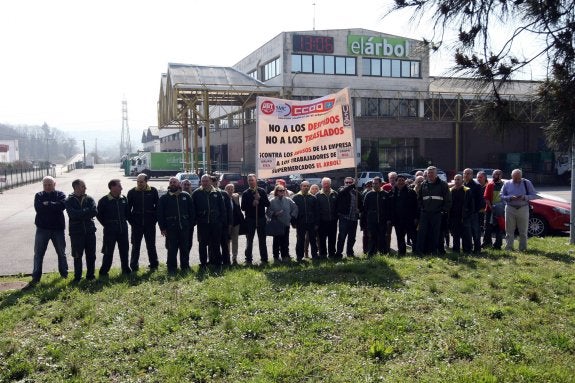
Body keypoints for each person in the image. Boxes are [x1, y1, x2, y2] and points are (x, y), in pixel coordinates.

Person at [31, 176, 68, 283]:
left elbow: (61, 206)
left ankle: (64, 274)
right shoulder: (39, 195)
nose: (47, 187)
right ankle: (36, 277)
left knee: (61, 253)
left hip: (58, 229)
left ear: (54, 184)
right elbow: (38, 208)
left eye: (49, 184)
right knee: (38, 254)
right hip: (42, 229)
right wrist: (53, 206)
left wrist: (48, 204)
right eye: (45, 185)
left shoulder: (61, 194)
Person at [158, 177, 195, 273]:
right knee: (172, 249)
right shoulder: (164, 198)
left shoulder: (186, 196)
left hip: (184, 227)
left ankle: (185, 266)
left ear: (179, 184)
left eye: (174, 182)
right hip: (171, 228)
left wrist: (190, 224)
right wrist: (162, 228)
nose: (172, 183)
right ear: (169, 184)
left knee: (185, 248)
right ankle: (172, 268)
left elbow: (192, 211)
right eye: (171, 182)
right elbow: (160, 215)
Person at [65, 179, 97, 281]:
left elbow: (94, 212)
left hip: (90, 232)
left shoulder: (89, 199)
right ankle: (77, 277)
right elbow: (72, 215)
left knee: (91, 255)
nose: (85, 188)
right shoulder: (69, 200)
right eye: (83, 186)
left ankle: (90, 276)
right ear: (76, 188)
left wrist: (80, 213)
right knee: (77, 256)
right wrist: (85, 211)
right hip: (76, 233)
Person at [97, 179, 131, 277]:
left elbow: (127, 213)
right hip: (110, 231)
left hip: (123, 230)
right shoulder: (104, 200)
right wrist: (108, 225)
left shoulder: (123, 198)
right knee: (108, 252)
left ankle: (126, 270)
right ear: (112, 187)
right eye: (119, 186)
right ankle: (103, 272)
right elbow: (99, 215)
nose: (121, 188)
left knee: (124, 250)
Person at [127, 173, 159, 272]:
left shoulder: (153, 191)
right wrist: (132, 222)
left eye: (141, 182)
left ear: (146, 181)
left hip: (150, 224)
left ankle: (154, 264)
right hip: (137, 225)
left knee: (151, 245)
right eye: (138, 181)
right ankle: (134, 266)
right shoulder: (132, 192)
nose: (139, 183)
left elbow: (157, 207)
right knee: (135, 246)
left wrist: (154, 220)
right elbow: (127, 210)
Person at [192, 174, 226, 267]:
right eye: (203, 181)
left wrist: (221, 221)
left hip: (216, 223)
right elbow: (192, 209)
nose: (205, 183)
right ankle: (203, 264)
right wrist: (196, 220)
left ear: (211, 181)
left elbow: (222, 208)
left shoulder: (217, 193)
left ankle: (217, 263)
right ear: (201, 182)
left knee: (215, 244)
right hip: (202, 224)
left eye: (207, 181)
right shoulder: (196, 193)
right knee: (202, 244)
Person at [416, 166, 451, 255]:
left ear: (436, 174)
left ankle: (434, 251)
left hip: (437, 213)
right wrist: (422, 208)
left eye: (432, 173)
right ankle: (421, 251)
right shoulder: (424, 184)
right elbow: (419, 199)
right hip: (425, 213)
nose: (430, 175)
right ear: (427, 174)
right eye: (429, 173)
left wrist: (443, 211)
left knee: (436, 234)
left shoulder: (443, 184)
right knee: (422, 233)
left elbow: (448, 200)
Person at [500, 169, 536, 251]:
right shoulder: (507, 183)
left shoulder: (527, 183)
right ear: (511, 176)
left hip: (523, 208)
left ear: (521, 176)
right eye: (515, 178)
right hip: (510, 208)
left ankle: (523, 248)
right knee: (509, 230)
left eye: (518, 178)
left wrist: (524, 197)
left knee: (523, 230)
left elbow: (534, 195)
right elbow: (501, 196)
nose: (516, 180)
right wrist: (509, 198)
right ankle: (509, 248)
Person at [241, 174, 270, 265]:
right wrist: (252, 203)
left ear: (256, 181)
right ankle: (248, 259)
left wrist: (260, 199)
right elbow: (243, 207)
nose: (251, 182)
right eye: (249, 180)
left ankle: (264, 260)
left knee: (262, 240)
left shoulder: (261, 191)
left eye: (252, 180)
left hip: (261, 219)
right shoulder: (245, 193)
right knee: (249, 240)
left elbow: (267, 204)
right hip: (250, 219)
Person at [266, 184, 298, 261]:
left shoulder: (288, 200)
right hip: (277, 224)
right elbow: (267, 212)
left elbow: (295, 208)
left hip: (286, 223)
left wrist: (291, 217)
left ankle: (285, 256)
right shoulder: (272, 201)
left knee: (285, 241)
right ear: (276, 191)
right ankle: (276, 257)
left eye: (283, 190)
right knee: (276, 241)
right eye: (280, 190)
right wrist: (274, 213)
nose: (282, 192)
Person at [335, 177, 363, 259]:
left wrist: (359, 210)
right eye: (346, 182)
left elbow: (361, 205)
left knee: (352, 237)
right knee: (342, 237)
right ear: (344, 183)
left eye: (350, 182)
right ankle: (339, 253)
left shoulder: (357, 193)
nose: (348, 184)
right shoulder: (341, 190)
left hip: (353, 219)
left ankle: (350, 252)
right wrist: (353, 185)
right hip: (344, 218)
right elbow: (343, 191)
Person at [363, 176, 391, 256]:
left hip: (383, 220)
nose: (374, 185)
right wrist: (364, 221)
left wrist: (388, 219)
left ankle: (384, 253)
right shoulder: (368, 195)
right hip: (372, 221)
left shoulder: (385, 194)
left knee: (382, 237)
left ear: (380, 184)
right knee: (372, 237)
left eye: (376, 183)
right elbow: (365, 209)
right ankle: (371, 253)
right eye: (373, 183)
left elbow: (388, 208)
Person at [390, 174, 418, 255]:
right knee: (400, 237)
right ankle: (402, 253)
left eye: (402, 180)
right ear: (396, 182)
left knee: (413, 237)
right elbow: (390, 207)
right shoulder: (392, 192)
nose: (401, 182)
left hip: (410, 219)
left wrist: (416, 217)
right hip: (398, 220)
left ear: (405, 182)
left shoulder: (411, 192)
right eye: (399, 180)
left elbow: (416, 205)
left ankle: (416, 252)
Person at [292, 180, 320, 261]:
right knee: (300, 241)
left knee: (313, 241)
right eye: (304, 186)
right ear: (301, 187)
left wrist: (316, 223)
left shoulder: (313, 197)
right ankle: (299, 257)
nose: (306, 187)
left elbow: (317, 212)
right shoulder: (296, 197)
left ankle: (314, 256)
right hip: (300, 223)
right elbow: (293, 211)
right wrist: (293, 223)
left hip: (311, 223)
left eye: (307, 186)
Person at [449, 174, 474, 253]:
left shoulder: (467, 190)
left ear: (462, 181)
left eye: (458, 179)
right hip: (454, 217)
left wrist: (468, 215)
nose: (456, 181)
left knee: (466, 235)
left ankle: (467, 250)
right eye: (455, 179)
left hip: (464, 217)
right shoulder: (451, 191)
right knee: (455, 235)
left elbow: (471, 205)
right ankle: (456, 250)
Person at [212, 175, 233, 265]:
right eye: (212, 181)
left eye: (215, 182)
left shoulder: (224, 193)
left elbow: (229, 210)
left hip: (224, 224)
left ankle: (227, 262)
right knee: (214, 244)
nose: (214, 183)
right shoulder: (208, 194)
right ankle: (215, 262)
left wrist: (230, 224)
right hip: (213, 224)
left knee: (224, 244)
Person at [316, 177, 338, 259]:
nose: (326, 185)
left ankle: (332, 253)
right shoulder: (318, 195)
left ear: (330, 184)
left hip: (333, 221)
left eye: (327, 184)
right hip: (322, 221)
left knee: (332, 238)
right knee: (322, 239)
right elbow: (316, 210)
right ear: (321, 184)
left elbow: (337, 207)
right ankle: (323, 254)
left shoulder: (335, 194)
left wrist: (336, 217)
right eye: (324, 184)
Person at [463, 168, 484, 253]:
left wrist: (475, 211)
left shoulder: (476, 185)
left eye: (468, 173)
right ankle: (467, 249)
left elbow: (480, 201)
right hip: (465, 213)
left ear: (472, 175)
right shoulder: (463, 184)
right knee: (467, 232)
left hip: (474, 213)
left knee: (475, 232)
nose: (466, 175)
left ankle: (477, 249)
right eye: (464, 173)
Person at [483, 169, 504, 249]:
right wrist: (491, 208)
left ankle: (498, 245)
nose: (495, 175)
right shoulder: (490, 184)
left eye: (497, 174)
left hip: (500, 210)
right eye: (494, 174)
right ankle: (487, 243)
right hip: (490, 210)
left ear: (501, 176)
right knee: (488, 227)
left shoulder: (504, 185)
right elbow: (486, 198)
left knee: (499, 228)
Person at [225, 183, 242, 265]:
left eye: (232, 189)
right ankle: (227, 258)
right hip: (227, 223)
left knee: (235, 241)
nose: (230, 190)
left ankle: (234, 258)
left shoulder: (236, 197)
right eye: (228, 189)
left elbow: (238, 209)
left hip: (236, 223)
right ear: (225, 190)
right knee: (227, 241)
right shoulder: (223, 198)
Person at [181, 179, 196, 254]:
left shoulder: (194, 196)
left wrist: (193, 222)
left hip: (190, 225)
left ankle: (186, 260)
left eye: (188, 185)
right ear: (181, 185)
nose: (186, 186)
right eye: (185, 184)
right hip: (178, 224)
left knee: (189, 242)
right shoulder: (177, 195)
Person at [360, 180, 373, 254]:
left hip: (372, 217)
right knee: (366, 235)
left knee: (372, 234)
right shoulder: (364, 193)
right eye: (368, 185)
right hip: (365, 217)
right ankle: (365, 250)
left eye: (371, 185)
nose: (369, 187)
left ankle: (371, 249)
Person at [476, 171, 488, 245]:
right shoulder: (476, 186)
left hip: (486, 211)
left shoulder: (488, 186)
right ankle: (477, 243)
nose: (479, 179)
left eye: (481, 177)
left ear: (485, 178)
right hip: (477, 211)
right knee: (477, 229)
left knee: (486, 229)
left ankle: (485, 243)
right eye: (478, 177)